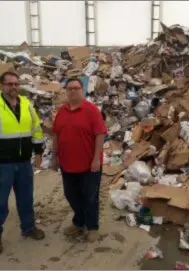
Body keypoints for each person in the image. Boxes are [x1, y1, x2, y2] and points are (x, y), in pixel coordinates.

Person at [0, 71, 45, 255]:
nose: (13, 87)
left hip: (23, 163)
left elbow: (36, 129)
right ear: (1, 86)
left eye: (16, 84)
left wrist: (38, 152)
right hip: (1, 164)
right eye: (9, 84)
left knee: (26, 199)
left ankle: (28, 228)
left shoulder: (27, 105)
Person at [51, 77, 107, 242]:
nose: (73, 91)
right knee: (71, 195)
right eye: (70, 88)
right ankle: (79, 222)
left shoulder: (91, 110)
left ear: (81, 90)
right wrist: (54, 158)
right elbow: (56, 134)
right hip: (67, 163)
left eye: (76, 88)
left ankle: (92, 227)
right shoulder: (62, 111)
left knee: (90, 196)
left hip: (89, 165)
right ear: (66, 91)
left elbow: (100, 134)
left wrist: (96, 158)